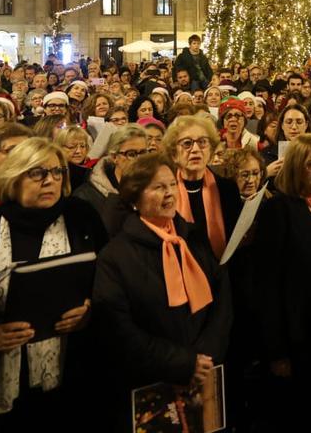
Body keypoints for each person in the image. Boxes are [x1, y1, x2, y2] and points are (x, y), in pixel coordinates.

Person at [0, 137, 105, 427]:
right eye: (37, 173)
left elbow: (108, 283)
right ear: (13, 177)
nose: (50, 180)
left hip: (70, 367)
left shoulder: (82, 219)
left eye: (57, 172)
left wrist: (90, 310)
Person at [91, 151, 231, 429]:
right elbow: (118, 328)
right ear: (134, 199)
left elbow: (222, 299)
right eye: (158, 187)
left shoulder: (192, 237)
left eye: (171, 185)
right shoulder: (116, 255)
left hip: (204, 371)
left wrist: (205, 355)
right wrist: (182, 362)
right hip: (151, 381)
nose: (169, 194)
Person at [164, 115, 240, 260]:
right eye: (187, 143)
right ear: (174, 154)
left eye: (203, 142)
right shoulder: (166, 193)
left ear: (210, 151)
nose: (195, 149)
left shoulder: (227, 189)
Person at [72, 124, 147, 231]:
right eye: (131, 154)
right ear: (114, 157)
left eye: (143, 153)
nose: (139, 160)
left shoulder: (154, 187)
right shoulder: (87, 196)